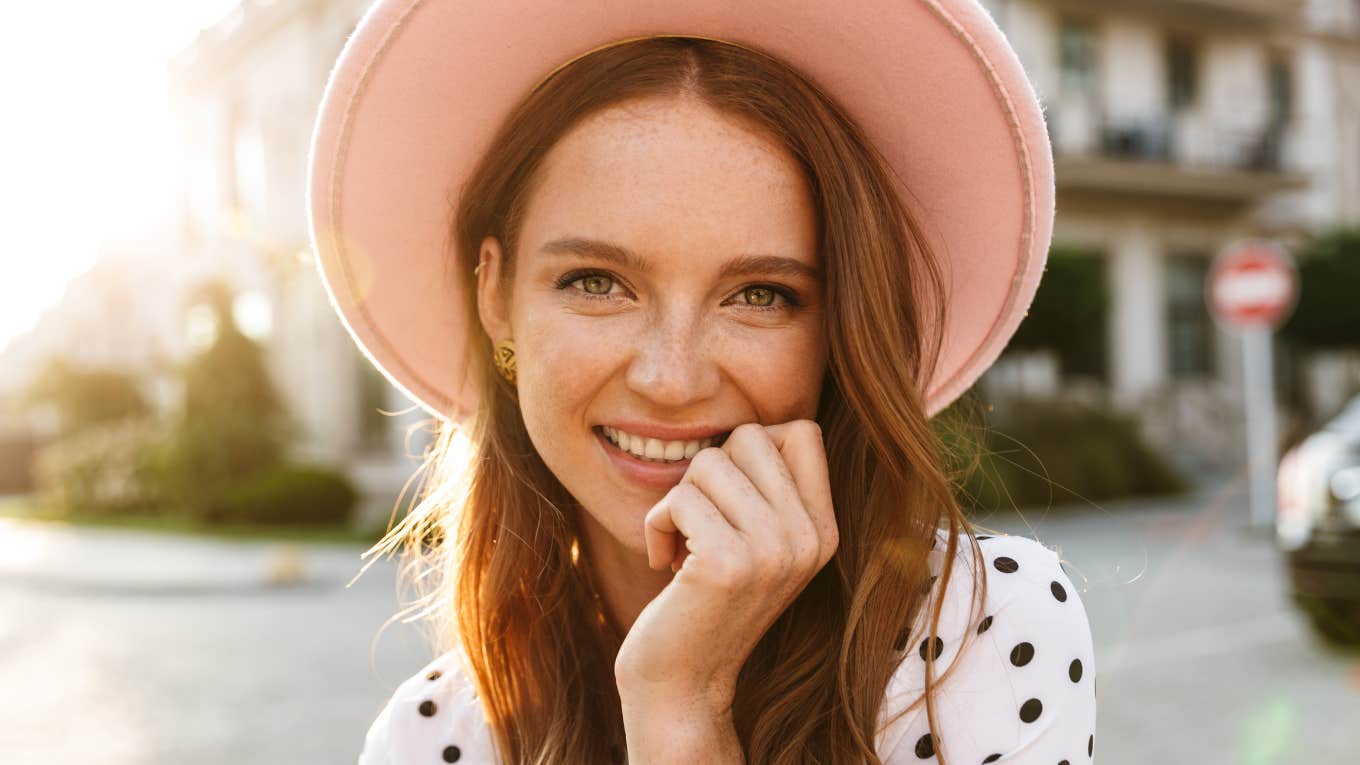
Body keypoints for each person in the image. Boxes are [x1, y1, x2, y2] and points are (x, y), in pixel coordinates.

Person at [307, 2, 1096, 763]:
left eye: (760, 295)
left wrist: (681, 706)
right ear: (495, 294)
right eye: (596, 280)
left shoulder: (979, 633)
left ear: (839, 330)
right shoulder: (426, 736)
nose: (670, 378)